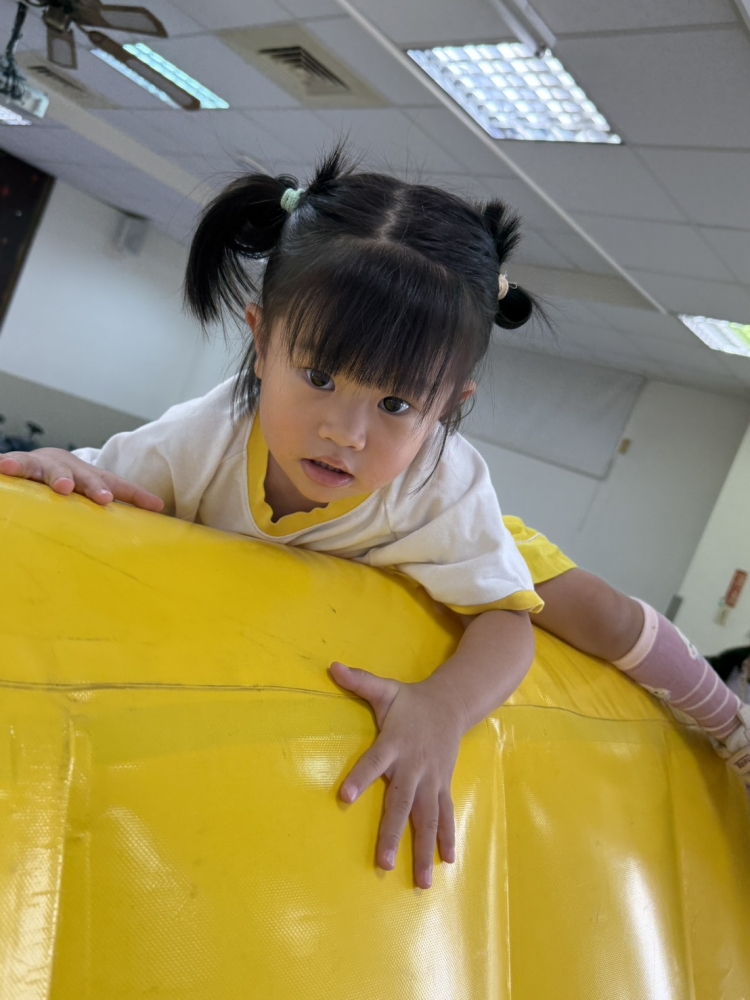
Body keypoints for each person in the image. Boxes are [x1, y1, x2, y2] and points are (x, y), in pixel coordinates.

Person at [1, 148, 748, 889]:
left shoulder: (441, 485)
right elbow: (102, 486)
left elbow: (506, 625)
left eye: (396, 403)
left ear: (448, 406)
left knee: (598, 615)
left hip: (426, 526)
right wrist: (58, 466)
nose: (346, 433)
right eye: (319, 377)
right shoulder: (205, 435)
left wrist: (443, 709)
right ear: (260, 342)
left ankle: (731, 725)